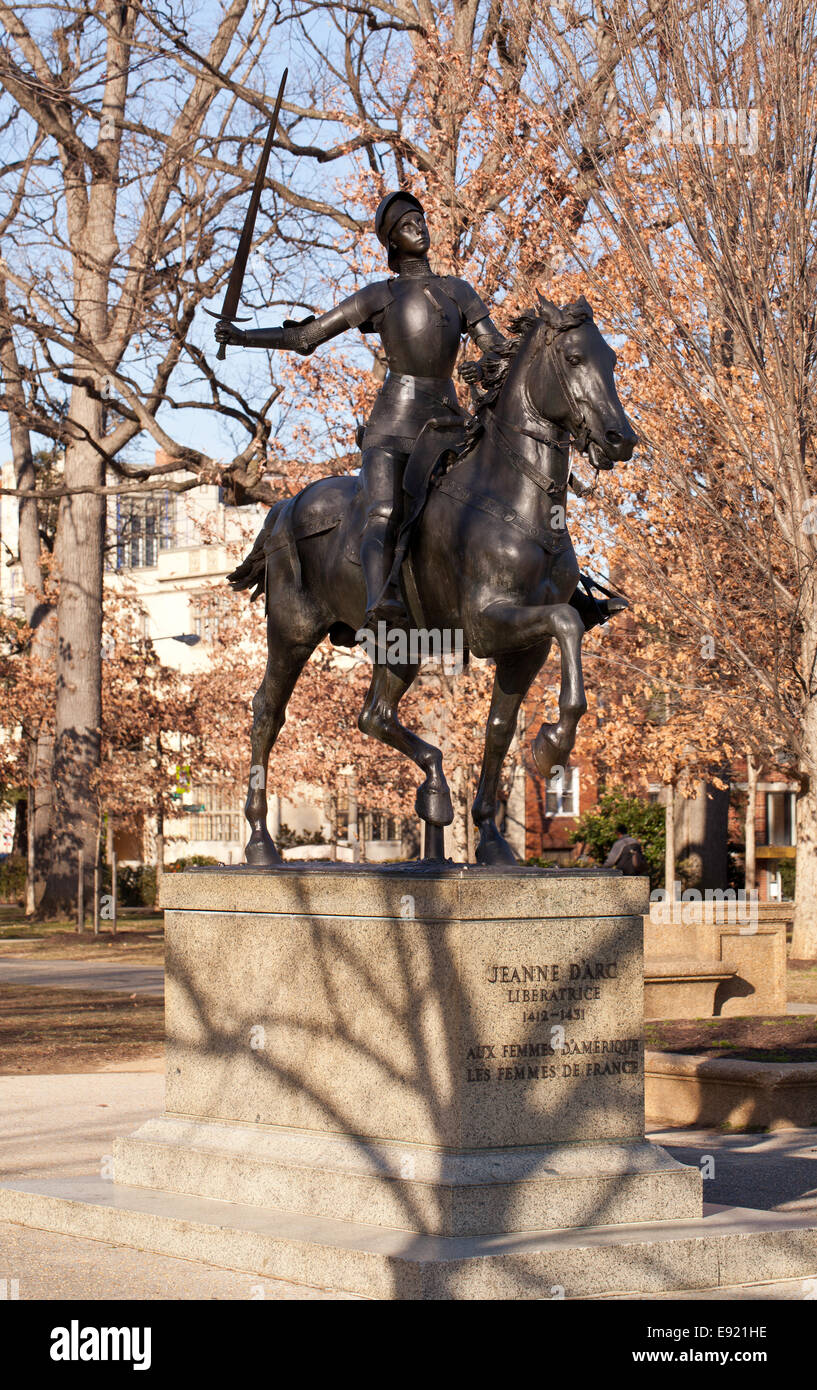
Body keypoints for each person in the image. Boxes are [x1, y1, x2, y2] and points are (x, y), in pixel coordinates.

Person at [215, 190, 506, 625]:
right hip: (394, 427)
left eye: (421, 219)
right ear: (391, 242)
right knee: (384, 510)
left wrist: (486, 364)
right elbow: (306, 337)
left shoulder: (458, 291)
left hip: (450, 425)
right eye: (407, 224)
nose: (419, 227)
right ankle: (379, 601)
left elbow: (498, 349)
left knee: (506, 496)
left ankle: (558, 585)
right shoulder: (379, 296)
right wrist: (243, 337)